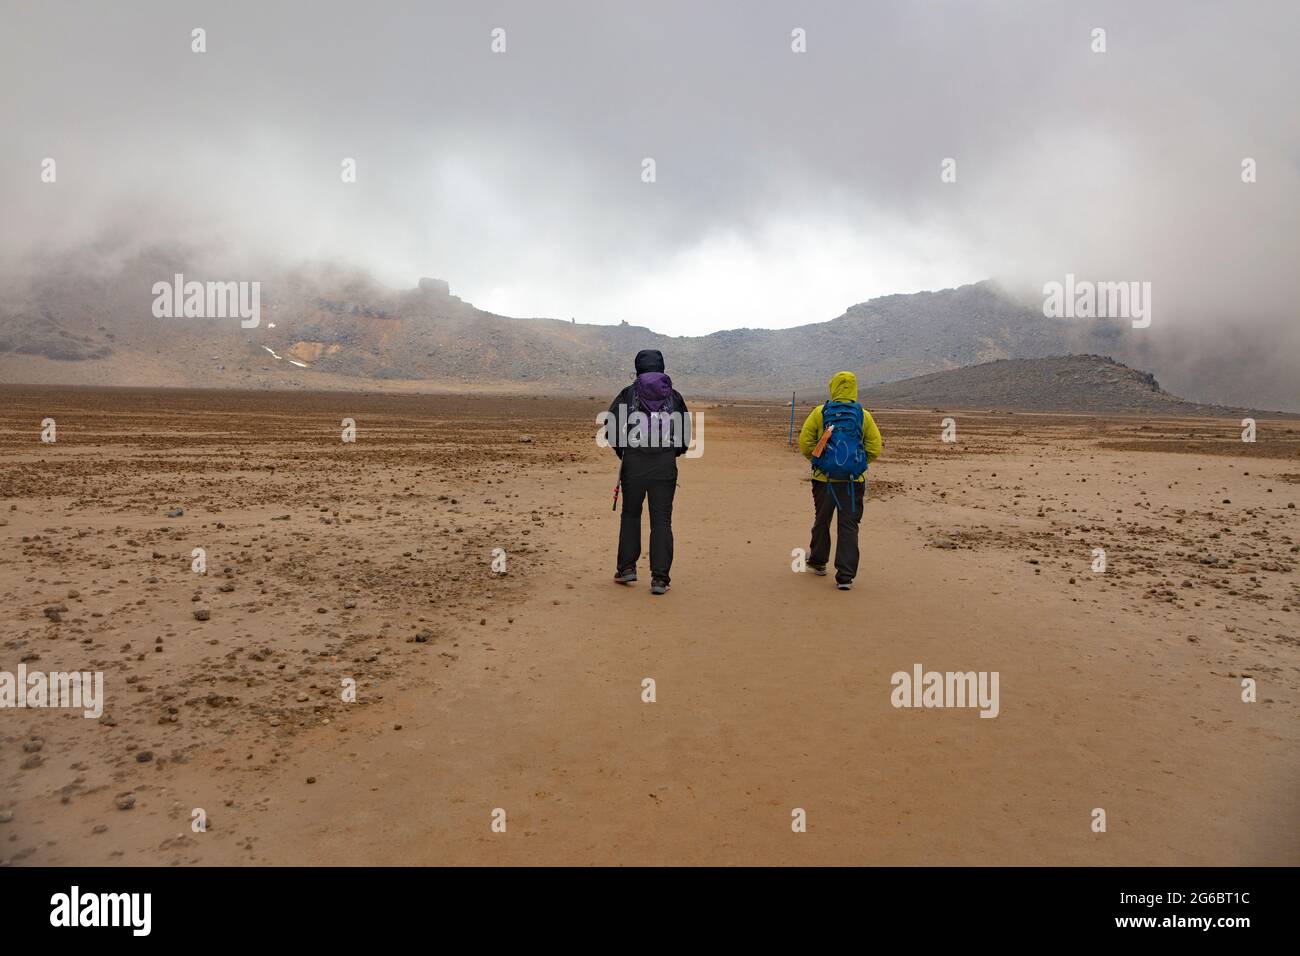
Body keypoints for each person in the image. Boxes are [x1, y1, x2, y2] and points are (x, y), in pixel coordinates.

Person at [605, 349, 689, 595]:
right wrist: (672, 453)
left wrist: (623, 450)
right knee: (661, 520)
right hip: (664, 464)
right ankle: (660, 579)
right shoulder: (674, 396)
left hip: (634, 463)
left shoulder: (628, 394)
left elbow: (610, 424)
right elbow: (685, 435)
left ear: (638, 368)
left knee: (631, 514)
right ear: (661, 367)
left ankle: (627, 568)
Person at [798, 371, 882, 590]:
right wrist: (858, 465)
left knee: (822, 519)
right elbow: (875, 447)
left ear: (833, 387)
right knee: (848, 525)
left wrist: (819, 462)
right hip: (853, 482)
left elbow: (805, 442)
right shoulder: (863, 415)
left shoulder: (820, 412)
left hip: (824, 479)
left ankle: (818, 562)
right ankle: (845, 576)